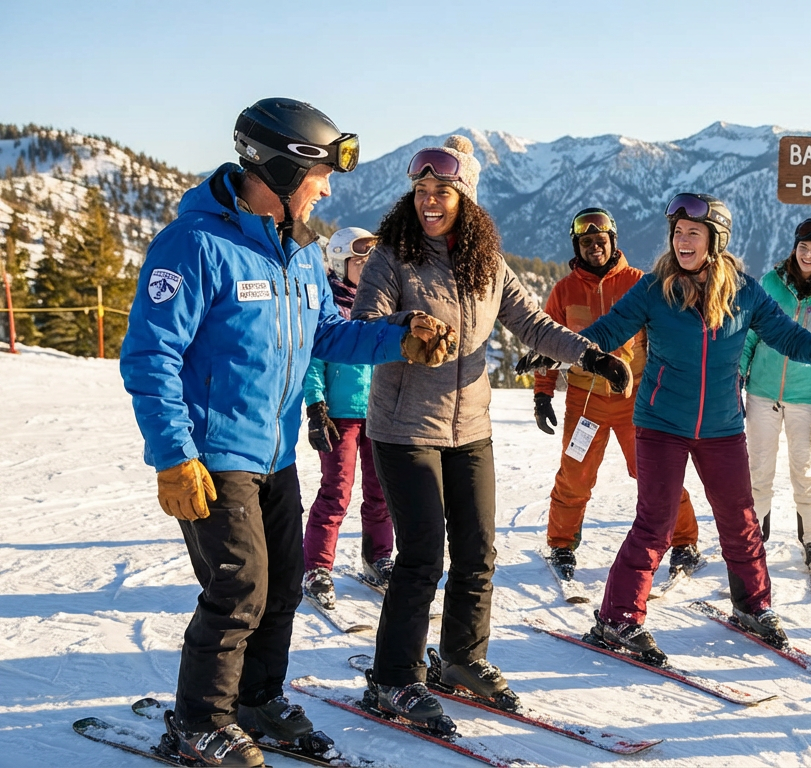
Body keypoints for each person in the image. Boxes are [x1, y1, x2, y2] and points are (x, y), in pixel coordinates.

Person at [120, 98, 454, 767]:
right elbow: (149, 355)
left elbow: (322, 334)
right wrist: (172, 456)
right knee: (238, 586)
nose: (328, 187)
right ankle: (199, 720)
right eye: (320, 174)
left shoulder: (298, 248)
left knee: (284, 583)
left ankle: (257, 699)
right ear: (277, 167)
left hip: (274, 452)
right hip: (213, 454)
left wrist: (399, 340)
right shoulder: (196, 244)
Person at [351, 136, 630, 730]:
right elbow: (365, 324)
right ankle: (393, 679)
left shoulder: (485, 260)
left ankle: (461, 659)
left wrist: (592, 356)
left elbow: (532, 322)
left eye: (442, 191)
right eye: (422, 190)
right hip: (404, 428)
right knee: (423, 554)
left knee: (478, 551)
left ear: (465, 197)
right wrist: (409, 325)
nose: (429, 201)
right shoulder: (391, 256)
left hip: (470, 426)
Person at [571, 192, 811, 664]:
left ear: (716, 239)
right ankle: (617, 618)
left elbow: (787, 336)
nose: (682, 239)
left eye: (693, 232)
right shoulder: (655, 289)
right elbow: (607, 331)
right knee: (656, 524)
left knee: (741, 518)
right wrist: (555, 347)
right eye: (677, 232)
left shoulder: (747, 292)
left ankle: (754, 605)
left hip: (721, 426)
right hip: (661, 422)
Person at [531, 208, 700, 579]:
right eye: (587, 241)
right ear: (578, 245)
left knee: (654, 472)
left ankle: (685, 540)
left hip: (635, 399)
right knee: (574, 475)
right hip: (584, 398)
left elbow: (665, 337)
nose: (595, 247)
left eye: (601, 240)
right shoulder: (564, 290)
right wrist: (542, 393)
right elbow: (547, 342)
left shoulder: (640, 283)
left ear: (613, 242)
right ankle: (561, 545)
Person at [739, 210, 811, 572]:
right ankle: (753, 536)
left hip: (806, 397)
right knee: (758, 468)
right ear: (794, 247)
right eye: (803, 247)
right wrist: (737, 377)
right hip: (762, 392)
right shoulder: (771, 284)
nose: (807, 255)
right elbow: (750, 335)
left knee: (805, 470)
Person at [301, 227, 395, 609]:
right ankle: (317, 567)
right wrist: (315, 405)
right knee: (336, 492)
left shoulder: (382, 306)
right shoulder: (330, 307)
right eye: (360, 261)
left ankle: (378, 557)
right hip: (341, 415)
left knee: (382, 492)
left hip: (381, 414)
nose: (369, 267)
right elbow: (313, 359)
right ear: (340, 263)